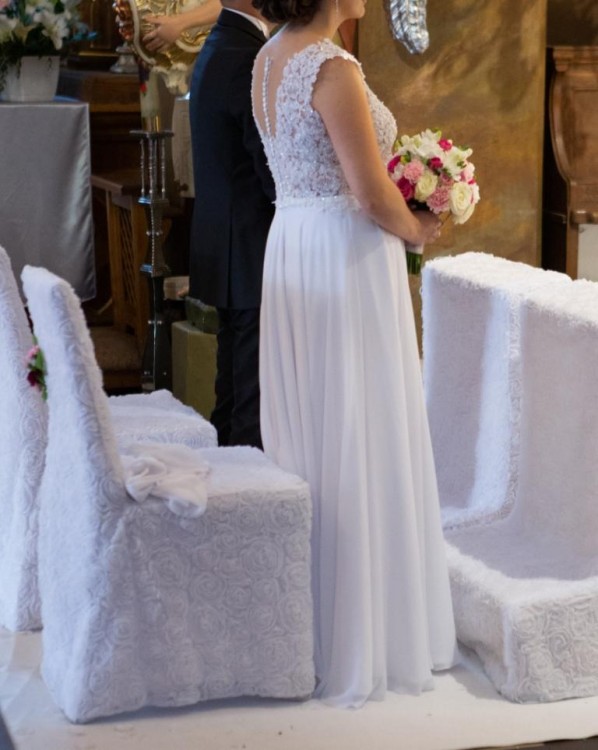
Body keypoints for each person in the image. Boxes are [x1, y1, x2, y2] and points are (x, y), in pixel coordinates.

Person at [251, 0, 458, 707]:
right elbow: (370, 195)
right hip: (344, 256)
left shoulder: (268, 56)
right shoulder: (332, 67)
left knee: (315, 434)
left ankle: (309, 622)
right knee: (358, 428)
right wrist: (420, 228)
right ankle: (366, 635)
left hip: (294, 244)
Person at [146, 0, 275, 448]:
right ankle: (245, 482)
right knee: (249, 406)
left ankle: (229, 475)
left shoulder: (223, 43)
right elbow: (265, 163)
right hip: (249, 245)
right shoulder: (246, 54)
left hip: (230, 241)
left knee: (234, 392)